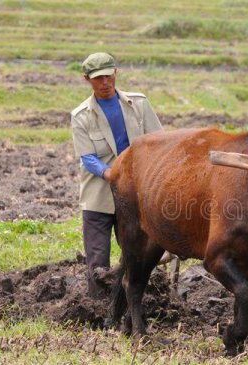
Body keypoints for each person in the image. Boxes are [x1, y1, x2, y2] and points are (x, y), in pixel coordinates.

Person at [71, 52, 163, 298]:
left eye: (108, 76)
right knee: (98, 260)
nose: (104, 82)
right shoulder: (81, 116)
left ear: (116, 73)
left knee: (136, 255)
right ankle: (97, 307)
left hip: (135, 197)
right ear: (87, 80)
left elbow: (158, 142)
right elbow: (88, 158)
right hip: (99, 196)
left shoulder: (139, 104)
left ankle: (135, 302)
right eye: (98, 78)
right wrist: (112, 174)